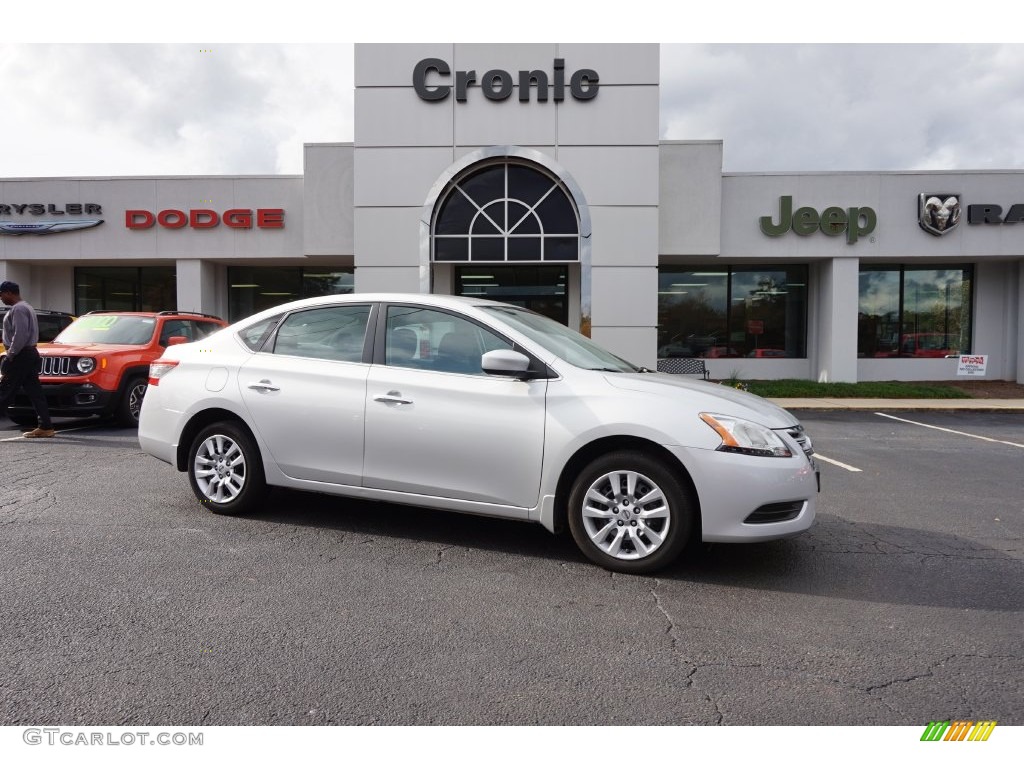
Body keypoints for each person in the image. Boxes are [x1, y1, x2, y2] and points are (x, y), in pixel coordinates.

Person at [0, 280, 56, 438]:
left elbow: (21, 334)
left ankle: (45, 426)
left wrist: (10, 355)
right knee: (35, 392)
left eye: (1, 295)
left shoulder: (18, 309)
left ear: (9, 293)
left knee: (5, 391)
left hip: (20, 354)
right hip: (29, 353)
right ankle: (46, 426)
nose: (1, 298)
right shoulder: (27, 307)